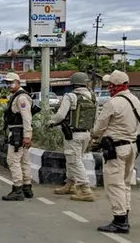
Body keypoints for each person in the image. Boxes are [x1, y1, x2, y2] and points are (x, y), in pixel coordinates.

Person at [91, 70, 139, 234]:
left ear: (117, 86)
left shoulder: (112, 103)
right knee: (125, 183)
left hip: (116, 149)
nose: (109, 87)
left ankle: (119, 221)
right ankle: (124, 215)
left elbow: (99, 127)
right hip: (132, 146)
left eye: (111, 85)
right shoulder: (135, 101)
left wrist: (95, 139)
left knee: (114, 184)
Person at [48, 72, 95, 201]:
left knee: (74, 161)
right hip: (86, 134)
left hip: (73, 134)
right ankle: (70, 184)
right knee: (73, 159)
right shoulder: (92, 96)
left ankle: (86, 190)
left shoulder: (70, 96)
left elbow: (61, 115)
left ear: (73, 84)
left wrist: (50, 121)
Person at [1, 73, 34, 201]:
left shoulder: (21, 98)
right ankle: (27, 187)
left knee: (13, 161)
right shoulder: (17, 96)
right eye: (7, 83)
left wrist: (27, 136)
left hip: (18, 133)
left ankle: (18, 189)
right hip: (19, 132)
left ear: (18, 82)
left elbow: (27, 118)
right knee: (24, 161)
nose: (9, 85)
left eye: (11, 82)